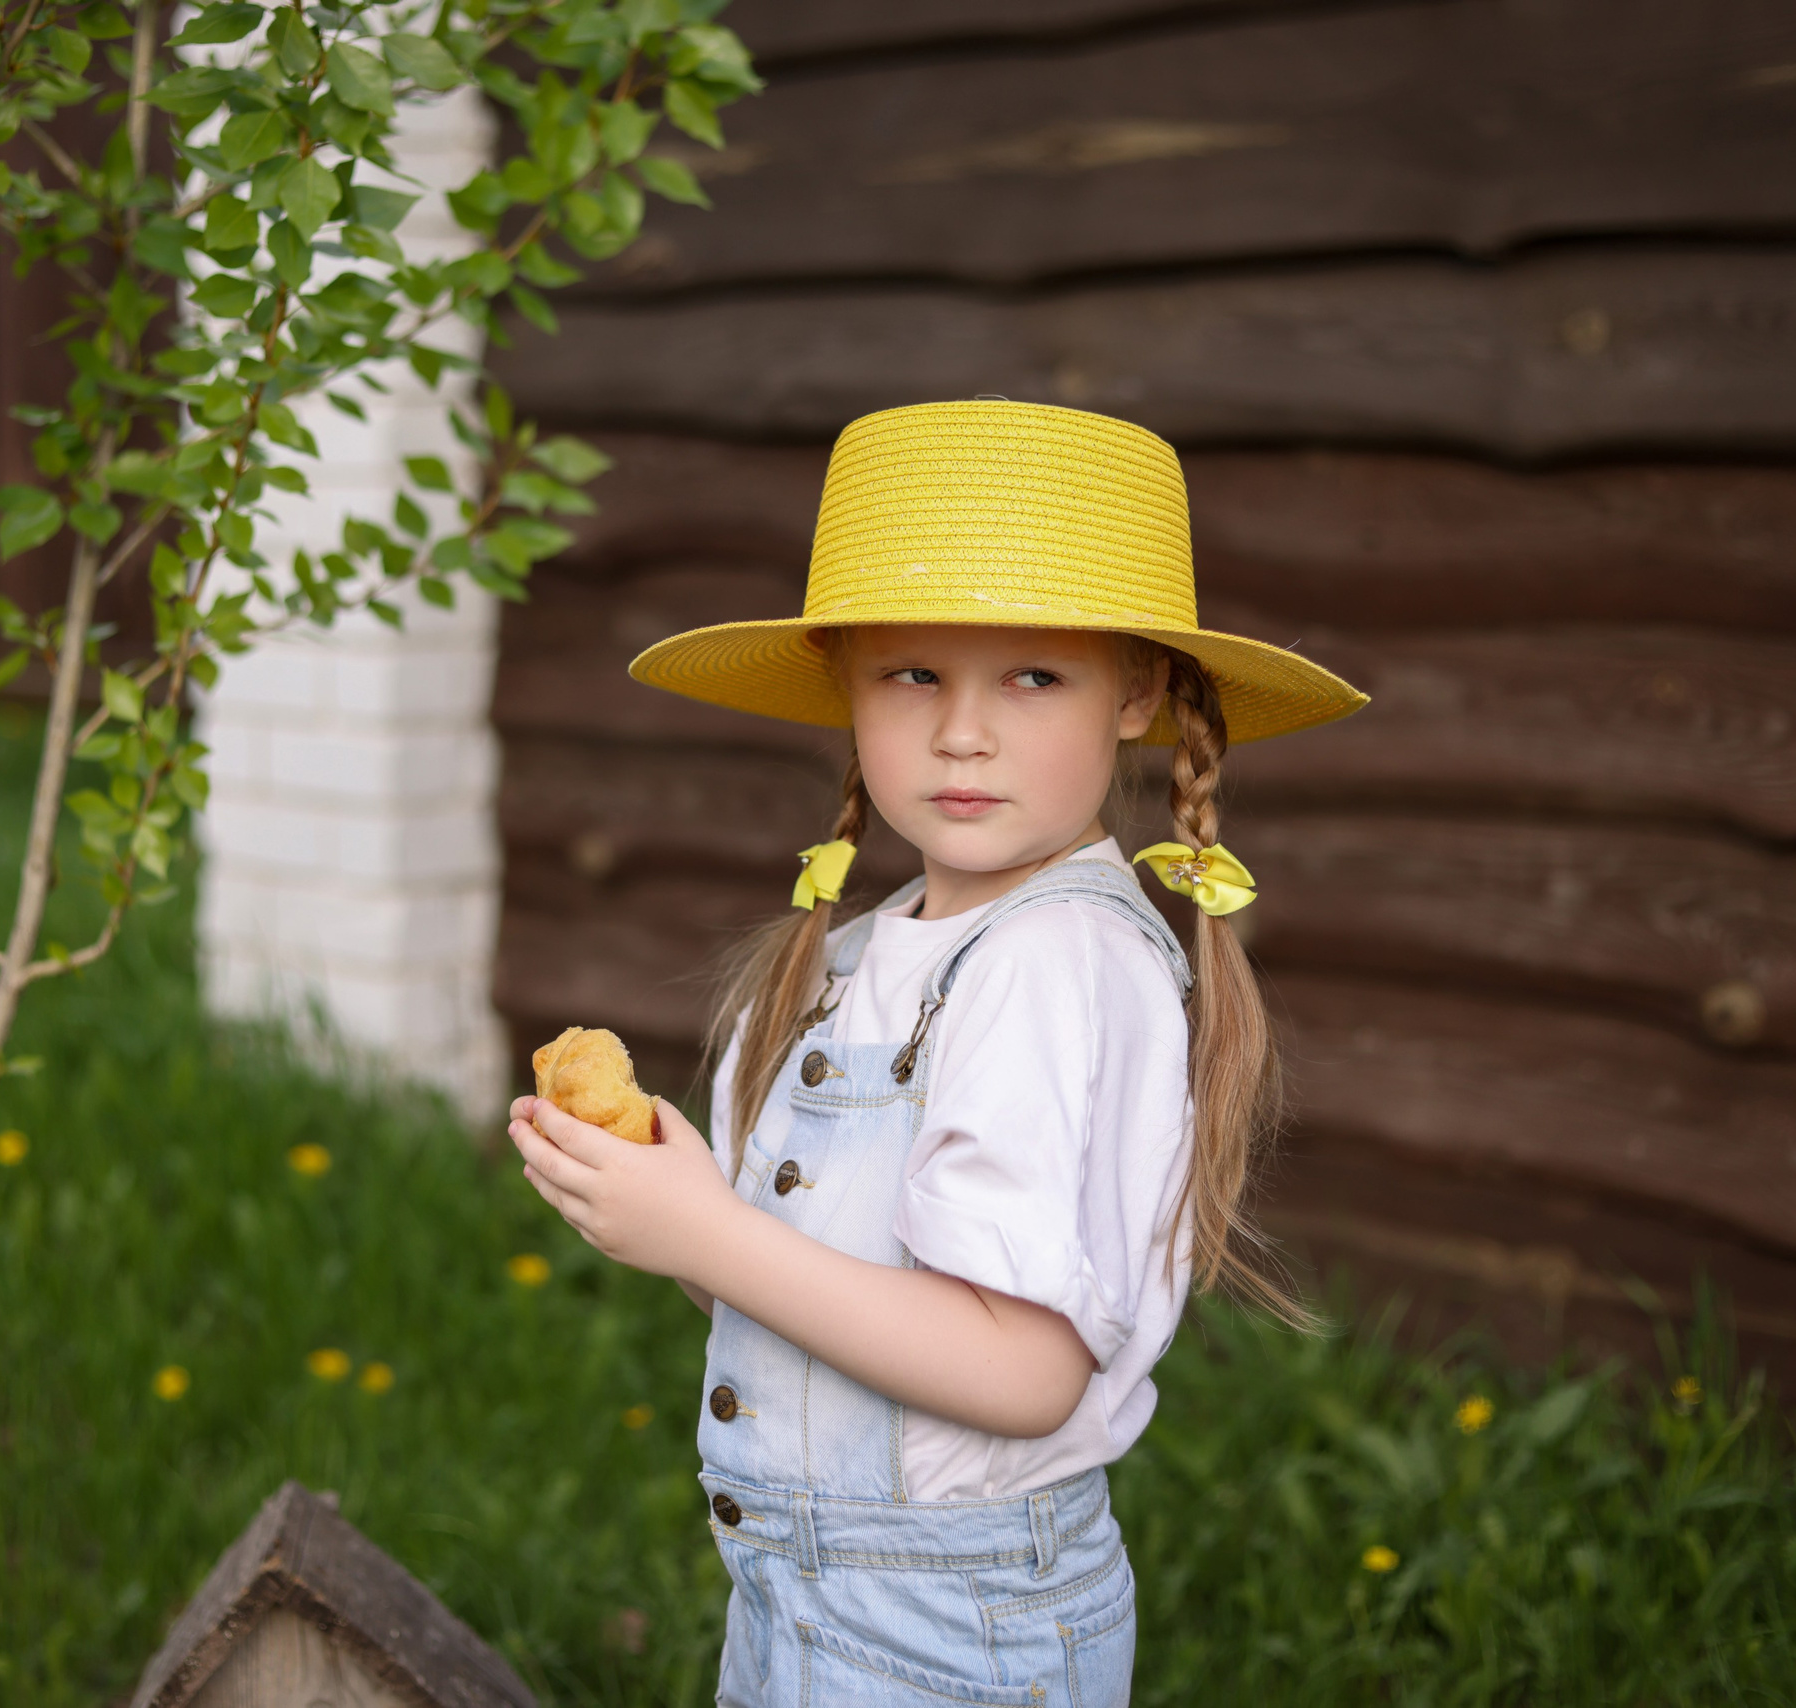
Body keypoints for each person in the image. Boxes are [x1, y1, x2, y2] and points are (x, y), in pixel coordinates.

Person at [507, 400, 1367, 1706]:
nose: (964, 731)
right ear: (846, 680)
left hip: (944, 1636)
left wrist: (709, 1237)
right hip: (814, 1602)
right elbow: (814, 1301)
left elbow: (1022, 1373)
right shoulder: (862, 954)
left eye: (1033, 677)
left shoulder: (1051, 962)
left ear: (1137, 691)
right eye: (913, 674)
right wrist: (662, 1208)